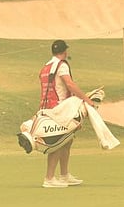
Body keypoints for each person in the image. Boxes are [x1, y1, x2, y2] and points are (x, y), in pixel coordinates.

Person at [37, 39, 94, 188]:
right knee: (57, 143)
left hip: (48, 108)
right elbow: (69, 84)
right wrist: (86, 99)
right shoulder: (61, 66)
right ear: (65, 52)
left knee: (67, 142)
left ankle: (64, 175)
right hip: (58, 109)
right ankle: (49, 178)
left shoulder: (46, 67)